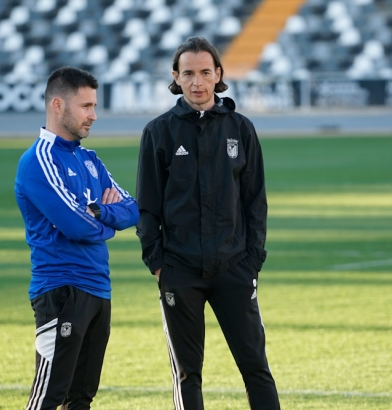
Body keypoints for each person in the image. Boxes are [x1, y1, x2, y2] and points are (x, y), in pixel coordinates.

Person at [135, 37, 281, 409]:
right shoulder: (158, 132)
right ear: (175, 77)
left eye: (204, 72)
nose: (197, 82)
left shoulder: (241, 129)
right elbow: (147, 206)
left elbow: (255, 202)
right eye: (188, 73)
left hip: (235, 266)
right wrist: (157, 264)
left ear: (218, 75)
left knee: (255, 367)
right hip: (179, 270)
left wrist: (253, 260)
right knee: (188, 374)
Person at [15, 66, 139, 410]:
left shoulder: (89, 159)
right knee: (48, 397)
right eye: (85, 106)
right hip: (61, 290)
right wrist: (104, 218)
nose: (94, 116)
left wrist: (98, 212)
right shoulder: (38, 161)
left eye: (94, 106)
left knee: (81, 397)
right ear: (58, 105)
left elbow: (132, 208)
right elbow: (76, 225)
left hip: (98, 289)